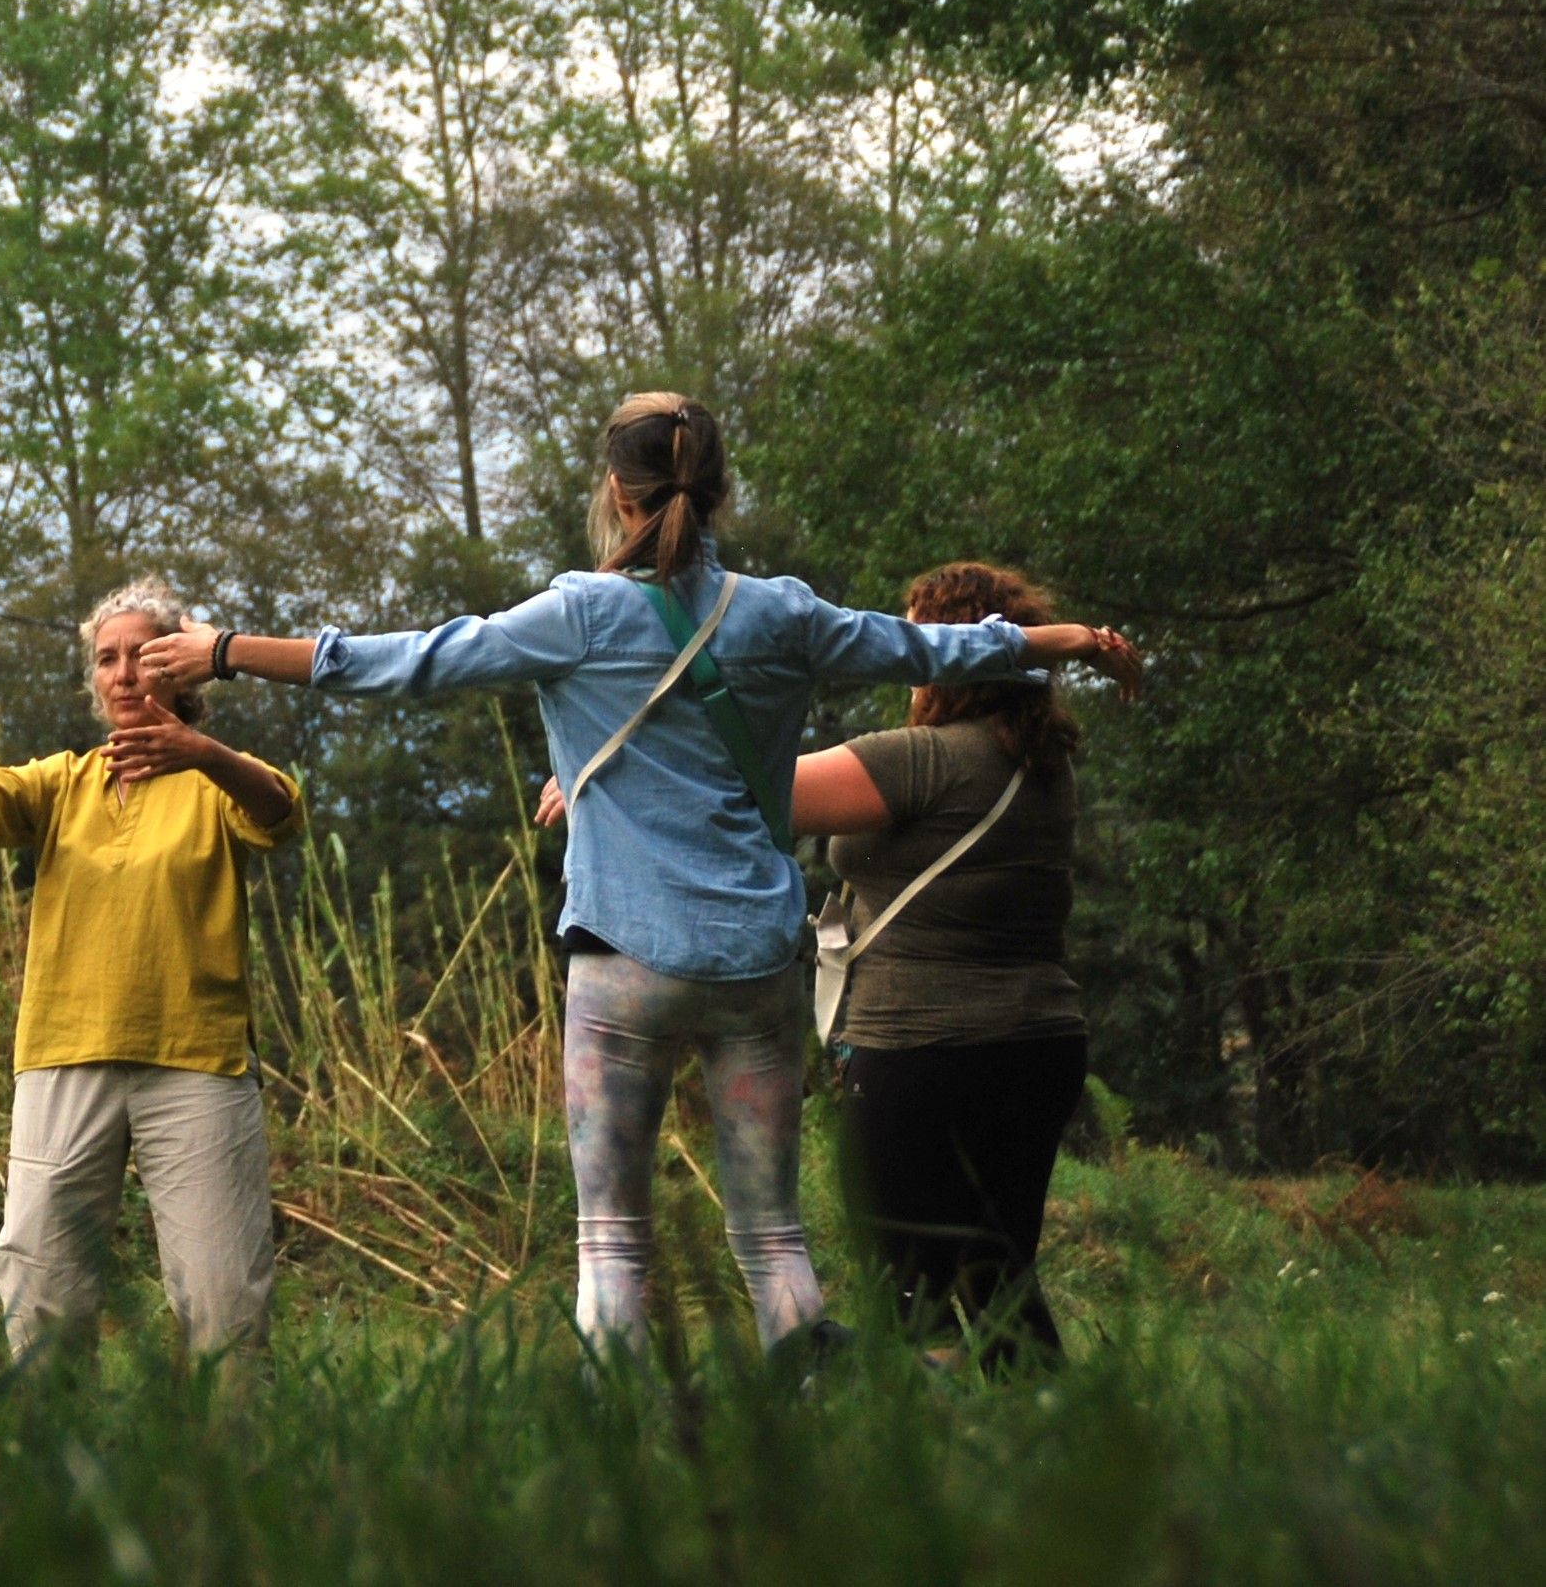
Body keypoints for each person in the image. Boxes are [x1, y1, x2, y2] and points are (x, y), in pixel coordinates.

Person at [139, 392, 1140, 1361]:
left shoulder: (578, 614)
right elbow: (923, 646)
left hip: (623, 958)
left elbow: (406, 661)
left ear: (618, 493)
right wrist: (1056, 642)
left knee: (612, 1236)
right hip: (755, 960)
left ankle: (618, 1422)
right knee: (772, 1234)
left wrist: (223, 651)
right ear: (718, 493)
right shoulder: (781, 613)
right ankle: (801, 1393)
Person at [0, 578, 300, 1367]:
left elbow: (278, 811)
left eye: (141, 655)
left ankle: (230, 1446)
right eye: (105, 658)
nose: (122, 673)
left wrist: (204, 753)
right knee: (41, 1287)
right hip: (65, 1054)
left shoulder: (215, 777)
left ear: (179, 667)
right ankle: (56, 1441)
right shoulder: (66, 782)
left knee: (223, 1296)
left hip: (196, 1059)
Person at [786, 560, 1098, 1368]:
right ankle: (1041, 1424)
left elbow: (753, 791)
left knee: (907, 1288)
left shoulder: (922, 760)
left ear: (955, 655)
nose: (906, 659)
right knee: (995, 1275)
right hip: (1040, 1046)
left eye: (916, 640)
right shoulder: (1044, 767)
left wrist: (607, 779)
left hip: (922, 1052)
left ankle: (944, 1419)